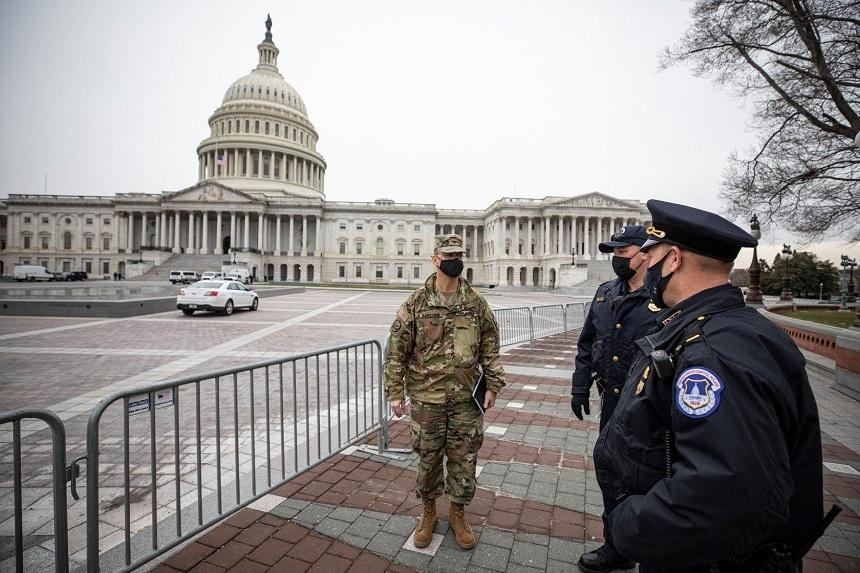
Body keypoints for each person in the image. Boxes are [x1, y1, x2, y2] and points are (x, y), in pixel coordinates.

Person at [594, 200, 823, 572]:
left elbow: (722, 491)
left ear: (673, 259)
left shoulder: (712, 353)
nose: (644, 265)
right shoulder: (731, 328)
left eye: (651, 256)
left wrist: (630, 524)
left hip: (704, 558)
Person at [383, 233, 505, 551]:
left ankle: (457, 514)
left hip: (466, 400)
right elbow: (396, 351)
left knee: (464, 459)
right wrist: (394, 393)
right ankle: (428, 513)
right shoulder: (416, 303)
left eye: (459, 256)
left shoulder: (475, 303)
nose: (455, 261)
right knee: (428, 459)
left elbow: (490, 346)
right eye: (449, 256)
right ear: (435, 260)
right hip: (428, 400)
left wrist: (493, 384)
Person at [571, 225, 655, 573]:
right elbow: (587, 342)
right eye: (614, 253)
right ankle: (617, 545)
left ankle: (651, 547)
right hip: (611, 399)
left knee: (646, 477)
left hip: (648, 404)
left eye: (622, 253)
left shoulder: (664, 296)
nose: (616, 259)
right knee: (611, 472)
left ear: (644, 255)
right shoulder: (606, 292)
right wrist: (579, 386)